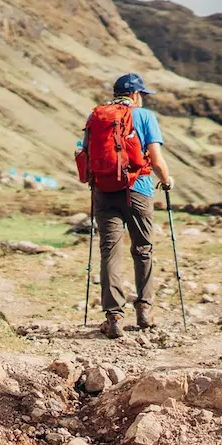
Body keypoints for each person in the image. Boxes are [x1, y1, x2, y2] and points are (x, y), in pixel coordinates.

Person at [84, 73, 173, 339]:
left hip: (104, 190)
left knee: (110, 251)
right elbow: (155, 159)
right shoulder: (145, 117)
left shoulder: (96, 117)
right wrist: (167, 181)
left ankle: (114, 317)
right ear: (135, 95)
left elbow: (86, 153)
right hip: (139, 189)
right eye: (142, 95)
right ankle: (144, 310)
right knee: (143, 249)